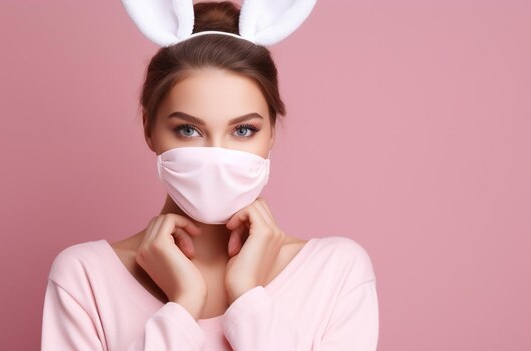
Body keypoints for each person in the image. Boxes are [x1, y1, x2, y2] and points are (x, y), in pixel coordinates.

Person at [41, 1, 379, 350]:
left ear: (272, 133)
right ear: (149, 129)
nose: (216, 155)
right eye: (188, 130)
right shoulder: (85, 279)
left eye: (244, 130)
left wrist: (248, 297)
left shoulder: (336, 275)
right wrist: (183, 306)